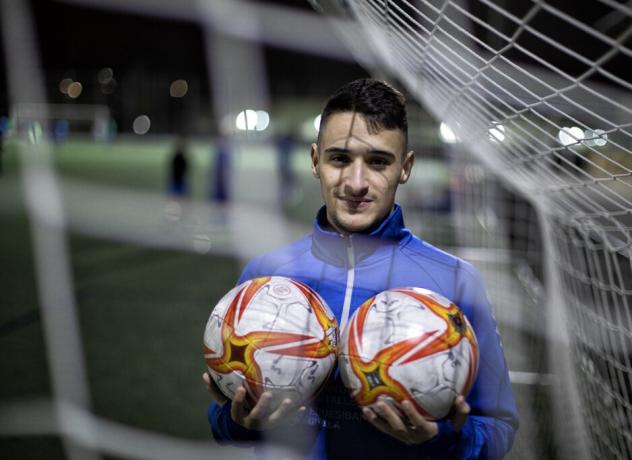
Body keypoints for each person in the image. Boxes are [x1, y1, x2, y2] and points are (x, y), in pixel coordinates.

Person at [203, 78, 518, 459]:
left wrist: (440, 440)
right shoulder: (267, 275)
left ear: (406, 167)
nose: (356, 183)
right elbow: (223, 421)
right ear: (316, 161)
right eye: (340, 158)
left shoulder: (453, 280)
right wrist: (239, 422)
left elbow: (498, 428)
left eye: (377, 162)